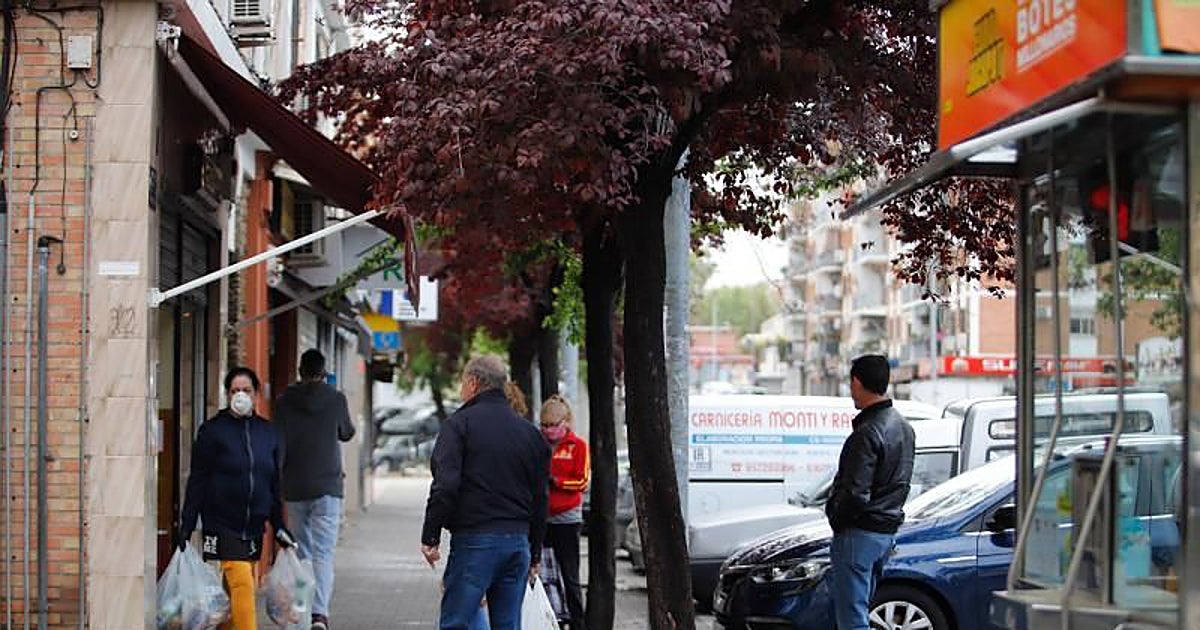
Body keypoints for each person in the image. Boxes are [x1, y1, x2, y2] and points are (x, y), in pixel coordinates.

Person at [422, 355, 551, 630]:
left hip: (475, 541)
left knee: (457, 622)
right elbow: (541, 497)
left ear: (473, 382)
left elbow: (445, 485)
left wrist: (430, 536)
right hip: (517, 543)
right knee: (507, 624)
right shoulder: (530, 434)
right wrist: (535, 551)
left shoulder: (459, 425)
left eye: (462, 382)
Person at [178, 367, 293, 630]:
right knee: (243, 582)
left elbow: (274, 484)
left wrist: (280, 527)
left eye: (246, 390)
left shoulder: (268, 433)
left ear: (256, 395)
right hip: (221, 522)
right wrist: (187, 523)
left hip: (253, 525)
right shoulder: (212, 431)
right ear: (227, 394)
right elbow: (198, 479)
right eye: (234, 391)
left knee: (234, 591)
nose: (240, 395)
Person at [825, 355, 915, 630]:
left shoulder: (867, 432)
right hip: (884, 534)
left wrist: (835, 516)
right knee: (861, 612)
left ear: (856, 383)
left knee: (853, 620)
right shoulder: (904, 427)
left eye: (851, 384)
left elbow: (854, 493)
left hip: (859, 535)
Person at [273, 349, 356, 630]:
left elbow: (278, 442)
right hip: (328, 487)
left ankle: (302, 609)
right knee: (324, 553)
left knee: (302, 552)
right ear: (324, 372)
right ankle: (319, 614)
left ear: (299, 371)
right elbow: (347, 432)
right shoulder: (335, 399)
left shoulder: (284, 401)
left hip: (294, 486)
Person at [540, 395, 589, 630]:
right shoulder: (537, 444)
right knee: (543, 574)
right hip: (541, 518)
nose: (549, 430)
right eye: (545, 425)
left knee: (570, 575)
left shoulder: (577, 446)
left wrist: (557, 481)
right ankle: (550, 618)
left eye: (554, 425)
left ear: (566, 422)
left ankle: (578, 623)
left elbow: (582, 481)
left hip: (567, 519)